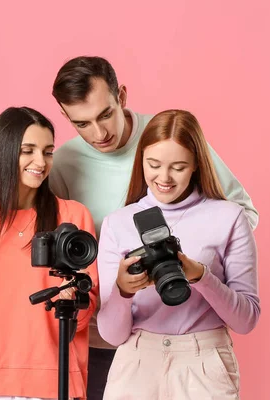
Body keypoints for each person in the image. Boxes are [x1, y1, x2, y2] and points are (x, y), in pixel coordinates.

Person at [49, 56, 259, 400]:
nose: (99, 133)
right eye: (82, 124)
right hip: (118, 329)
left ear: (122, 97)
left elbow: (239, 216)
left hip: (199, 334)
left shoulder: (167, 136)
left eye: (105, 115)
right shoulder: (64, 164)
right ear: (65, 116)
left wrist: (190, 255)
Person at [97, 109, 260, 399]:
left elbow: (245, 321)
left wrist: (200, 276)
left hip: (205, 361)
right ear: (141, 159)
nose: (164, 177)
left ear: (197, 163)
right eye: (154, 164)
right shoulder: (117, 223)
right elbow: (112, 335)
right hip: (135, 362)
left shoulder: (230, 217)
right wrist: (123, 291)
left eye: (179, 167)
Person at [0, 107, 99, 399]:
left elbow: (83, 314)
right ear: (5, 152)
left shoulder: (72, 217)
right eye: (28, 150)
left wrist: (73, 299)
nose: (40, 162)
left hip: (51, 381)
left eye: (48, 151)